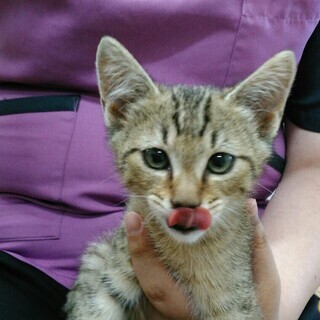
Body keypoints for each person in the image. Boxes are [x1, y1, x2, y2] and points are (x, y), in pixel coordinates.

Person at [0, 2, 319, 319]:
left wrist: (277, 308)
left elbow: (313, 164)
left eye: (219, 162)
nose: (186, 197)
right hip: (21, 252)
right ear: (119, 113)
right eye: (157, 157)